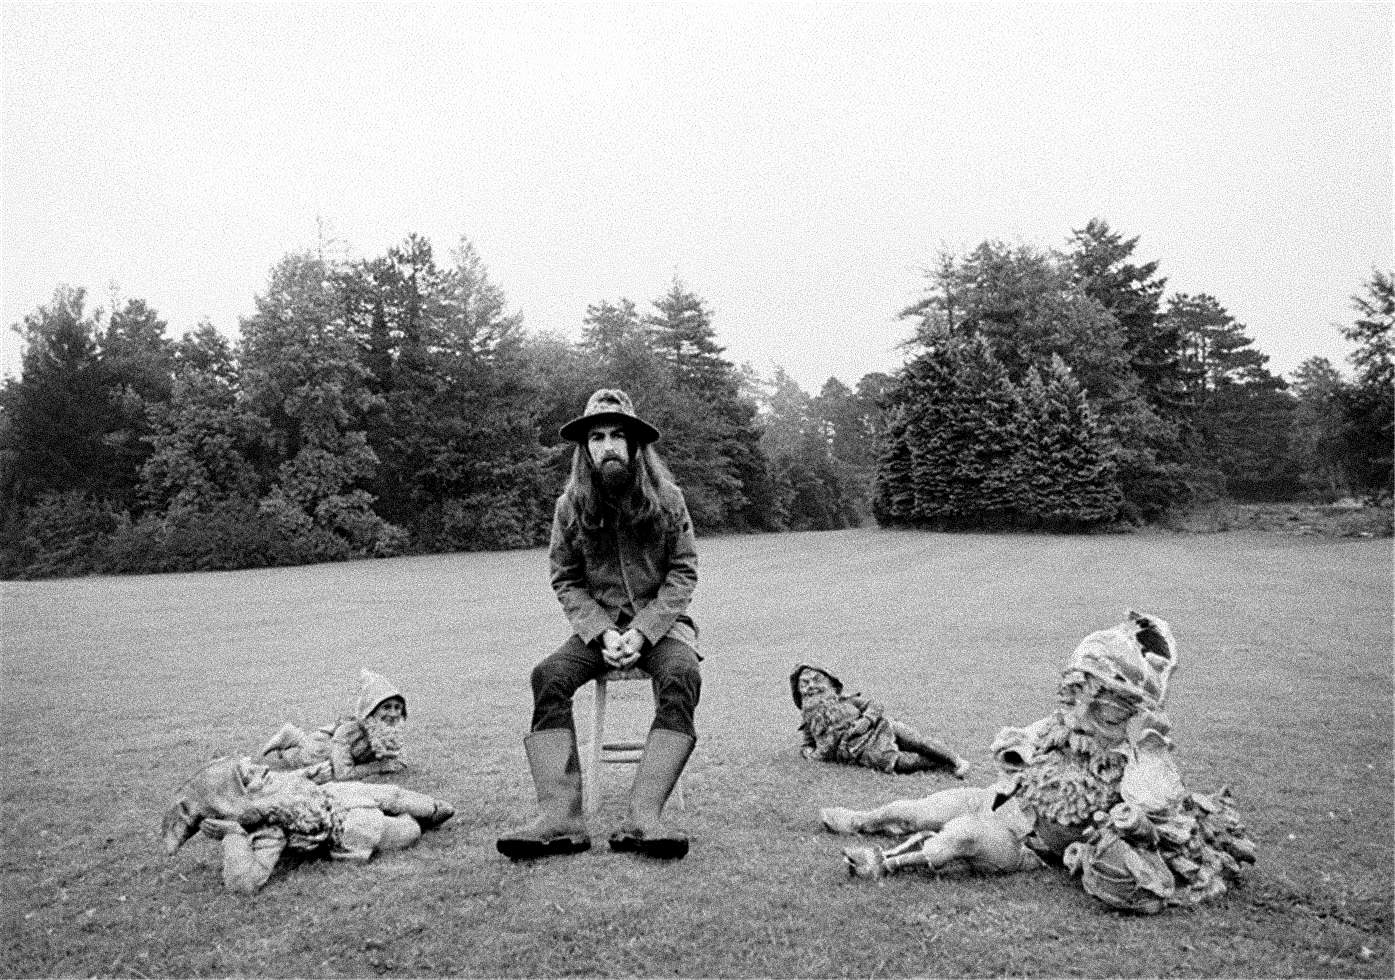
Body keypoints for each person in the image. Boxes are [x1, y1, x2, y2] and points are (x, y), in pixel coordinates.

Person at [821, 612, 1256, 914]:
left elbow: (1156, 812)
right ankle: (862, 820)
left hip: (1029, 845)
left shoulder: (1141, 757)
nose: (1082, 715)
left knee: (960, 837)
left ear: (1134, 713)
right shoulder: (1061, 724)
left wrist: (1138, 798)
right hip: (999, 800)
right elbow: (1018, 746)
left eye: (1106, 711)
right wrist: (1015, 751)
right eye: (1076, 697)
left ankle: (883, 862)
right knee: (915, 809)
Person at [496, 389, 701, 862]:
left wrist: (646, 629)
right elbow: (565, 578)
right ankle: (560, 820)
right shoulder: (569, 506)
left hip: (663, 628)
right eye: (597, 437)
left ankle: (644, 819)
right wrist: (603, 631)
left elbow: (684, 570)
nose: (607, 445)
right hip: (597, 630)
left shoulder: (668, 499)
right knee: (547, 675)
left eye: (616, 436)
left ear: (634, 445)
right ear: (585, 448)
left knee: (682, 675)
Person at [161, 756, 453, 893]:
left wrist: (319, 770)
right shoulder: (266, 827)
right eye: (250, 777)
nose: (261, 770)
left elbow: (301, 777)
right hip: (349, 827)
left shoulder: (279, 785)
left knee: (393, 794)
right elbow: (244, 884)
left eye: (252, 767)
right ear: (236, 803)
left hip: (337, 795)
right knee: (407, 830)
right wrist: (234, 836)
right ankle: (417, 822)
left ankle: (437, 810)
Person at [790, 664, 969, 776]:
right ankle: (939, 763)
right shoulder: (809, 720)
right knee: (900, 763)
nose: (811, 686)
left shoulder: (847, 700)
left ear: (830, 683)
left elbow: (874, 705)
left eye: (816, 680)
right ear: (799, 692)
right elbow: (807, 744)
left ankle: (955, 760)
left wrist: (867, 720)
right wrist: (810, 753)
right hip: (861, 749)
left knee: (916, 740)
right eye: (804, 684)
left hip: (879, 726)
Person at [260, 669, 407, 783]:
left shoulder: (390, 731)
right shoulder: (349, 732)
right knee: (302, 762)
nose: (393, 714)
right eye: (386, 707)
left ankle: (295, 737)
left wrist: (390, 762)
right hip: (320, 752)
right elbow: (343, 774)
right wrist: (378, 767)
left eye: (397, 707)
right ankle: (291, 737)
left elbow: (399, 762)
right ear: (372, 710)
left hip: (337, 750)